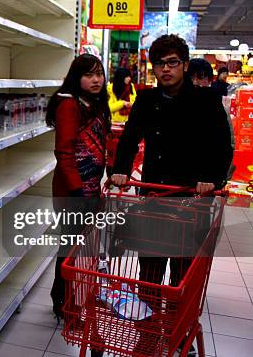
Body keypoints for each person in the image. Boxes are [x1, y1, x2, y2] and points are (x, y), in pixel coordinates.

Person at [110, 34, 233, 355]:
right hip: (155, 195)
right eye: (159, 64)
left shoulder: (205, 101)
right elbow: (129, 139)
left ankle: (181, 335)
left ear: (184, 64)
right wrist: (120, 170)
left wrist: (210, 178)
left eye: (172, 63)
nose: (165, 69)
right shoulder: (147, 101)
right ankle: (148, 333)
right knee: (149, 274)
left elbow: (222, 146)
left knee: (182, 276)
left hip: (191, 198)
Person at [46, 53, 110, 322]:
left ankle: (62, 296)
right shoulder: (69, 105)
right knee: (71, 248)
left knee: (74, 247)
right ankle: (65, 304)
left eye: (99, 74)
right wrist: (76, 193)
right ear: (76, 78)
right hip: (73, 192)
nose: (96, 80)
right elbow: (64, 152)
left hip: (89, 188)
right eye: (88, 75)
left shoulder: (94, 103)